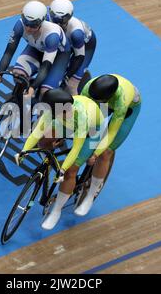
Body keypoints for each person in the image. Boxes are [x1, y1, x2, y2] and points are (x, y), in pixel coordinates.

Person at [15, 88, 104, 230]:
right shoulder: (54, 110)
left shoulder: (81, 116)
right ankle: (49, 168)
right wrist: (23, 151)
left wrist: (62, 169)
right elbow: (36, 134)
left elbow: (76, 148)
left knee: (70, 171)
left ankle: (56, 211)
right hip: (66, 121)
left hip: (91, 130)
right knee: (43, 143)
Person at [74, 74, 141, 216]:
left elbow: (111, 132)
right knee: (89, 133)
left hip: (129, 109)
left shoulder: (121, 102)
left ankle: (90, 195)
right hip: (102, 103)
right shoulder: (88, 88)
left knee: (106, 153)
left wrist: (96, 153)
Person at [0, 0, 71, 99]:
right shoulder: (19, 25)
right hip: (37, 49)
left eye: (33, 25)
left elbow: (46, 66)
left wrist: (33, 87)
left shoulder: (52, 35)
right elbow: (8, 53)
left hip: (60, 56)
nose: (28, 28)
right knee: (18, 74)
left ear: (42, 21)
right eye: (26, 23)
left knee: (45, 92)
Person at [48, 0, 96, 95]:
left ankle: (77, 107)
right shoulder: (45, 17)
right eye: (55, 20)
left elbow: (79, 57)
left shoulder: (76, 32)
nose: (58, 24)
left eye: (62, 21)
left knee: (71, 85)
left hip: (86, 46)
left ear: (69, 17)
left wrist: (68, 76)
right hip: (67, 42)